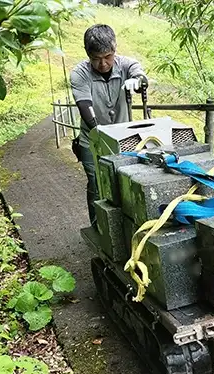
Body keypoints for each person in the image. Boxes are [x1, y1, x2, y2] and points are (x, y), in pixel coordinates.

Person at [70, 24, 148, 226]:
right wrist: (98, 130)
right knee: (96, 183)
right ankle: (99, 227)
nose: (103, 63)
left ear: (115, 50)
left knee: (124, 181)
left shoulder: (126, 64)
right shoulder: (80, 73)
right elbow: (84, 104)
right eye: (96, 58)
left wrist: (138, 81)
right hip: (92, 140)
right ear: (88, 54)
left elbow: (139, 73)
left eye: (108, 56)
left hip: (124, 138)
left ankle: (122, 226)